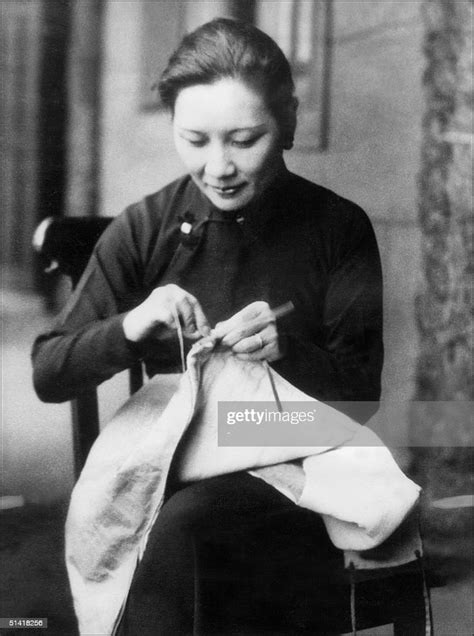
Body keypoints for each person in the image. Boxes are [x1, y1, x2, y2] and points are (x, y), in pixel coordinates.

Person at [32, 18, 383, 635]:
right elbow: (50, 371)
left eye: (244, 139)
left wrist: (290, 353)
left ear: (290, 121)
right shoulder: (146, 227)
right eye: (194, 139)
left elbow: (362, 402)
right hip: (177, 456)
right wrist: (131, 326)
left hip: (306, 456)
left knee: (191, 526)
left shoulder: (338, 228)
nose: (218, 167)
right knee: (175, 519)